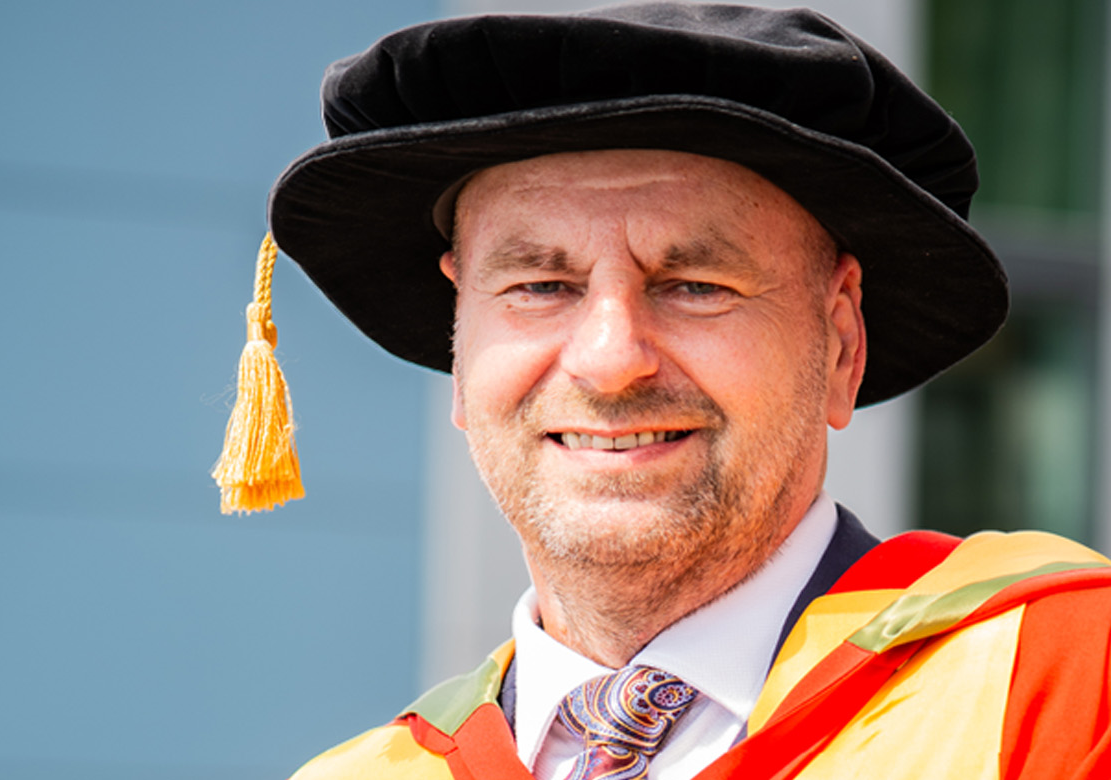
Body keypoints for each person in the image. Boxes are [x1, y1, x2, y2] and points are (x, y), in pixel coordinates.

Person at [220, 4, 1111, 779]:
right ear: (460, 357)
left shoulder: (1063, 679)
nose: (611, 361)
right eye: (539, 286)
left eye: (697, 285)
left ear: (840, 344)